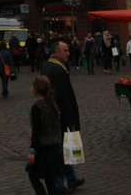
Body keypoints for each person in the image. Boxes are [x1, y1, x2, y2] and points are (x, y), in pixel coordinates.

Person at [42, 41, 84, 192]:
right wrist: (70, 119)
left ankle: (72, 179)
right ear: (57, 52)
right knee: (60, 152)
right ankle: (59, 186)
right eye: (65, 50)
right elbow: (63, 97)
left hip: (51, 114)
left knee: (66, 149)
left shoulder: (48, 65)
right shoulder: (58, 69)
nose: (68, 53)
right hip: (59, 116)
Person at [27, 75, 63, 195]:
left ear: (35, 89)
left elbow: (37, 133)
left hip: (44, 149)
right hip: (56, 147)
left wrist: (32, 152)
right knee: (50, 180)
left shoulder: (37, 107)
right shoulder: (52, 103)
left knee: (33, 175)